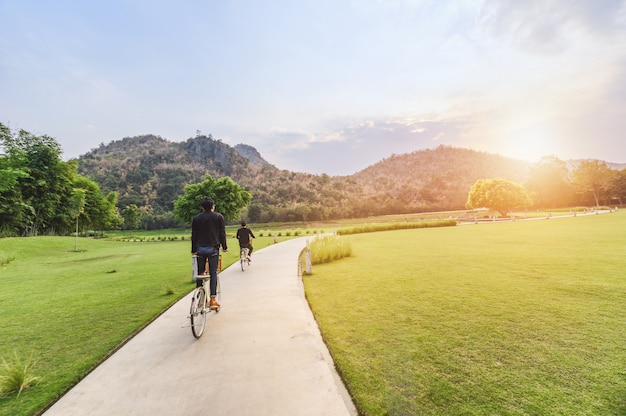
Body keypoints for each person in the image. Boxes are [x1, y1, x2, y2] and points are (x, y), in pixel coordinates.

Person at [191, 198, 228, 309]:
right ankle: (212, 299)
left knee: (200, 273)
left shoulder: (197, 218)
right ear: (213, 206)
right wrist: (225, 247)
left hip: (200, 249)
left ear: (203, 207)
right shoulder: (218, 217)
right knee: (213, 274)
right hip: (213, 249)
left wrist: (193, 249)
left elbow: (194, 235)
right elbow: (222, 233)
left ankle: (200, 299)